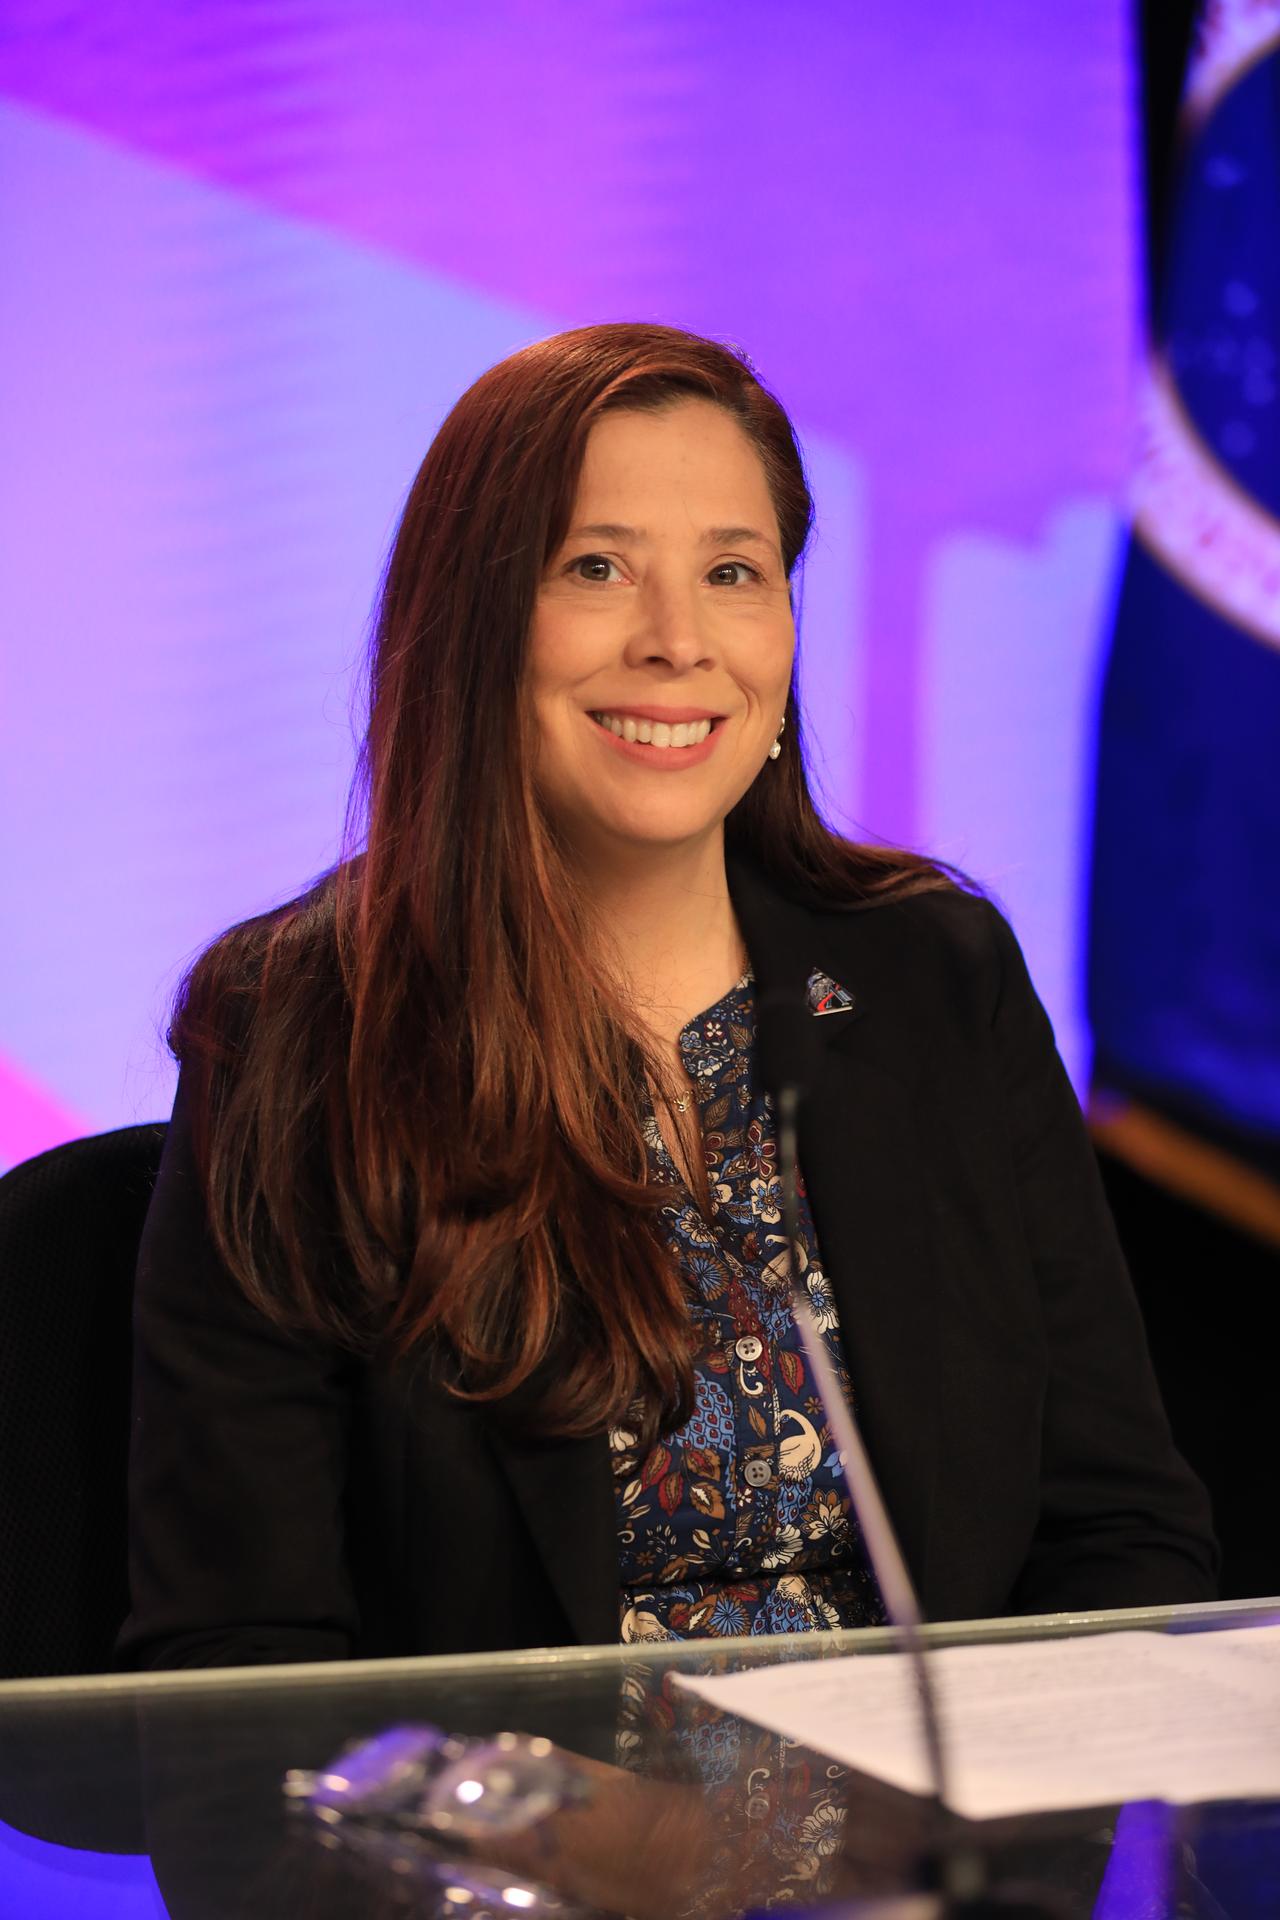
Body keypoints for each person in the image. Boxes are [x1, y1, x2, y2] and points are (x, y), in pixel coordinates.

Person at [117, 323, 1216, 1672]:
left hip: (937, 1859)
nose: (678, 641)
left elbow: (1118, 1530)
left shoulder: (936, 978)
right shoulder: (299, 1032)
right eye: (596, 568)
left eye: (734, 573)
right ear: (472, 626)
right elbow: (239, 1663)